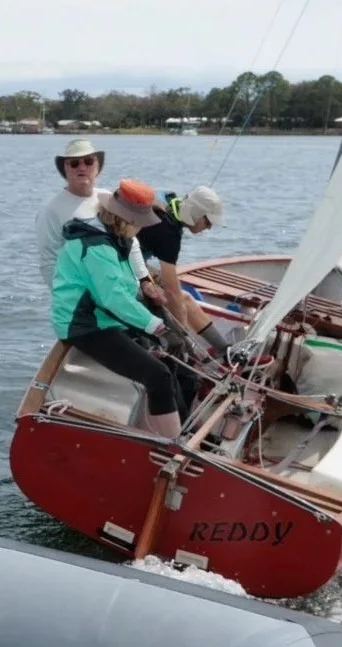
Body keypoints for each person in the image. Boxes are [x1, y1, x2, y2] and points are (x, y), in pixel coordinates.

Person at [52, 179, 181, 439]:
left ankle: (183, 426)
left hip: (106, 320)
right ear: (127, 220)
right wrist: (154, 325)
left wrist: (146, 288)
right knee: (158, 376)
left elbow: (122, 289)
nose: (141, 230)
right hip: (86, 326)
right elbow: (113, 298)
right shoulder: (97, 246)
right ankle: (174, 444)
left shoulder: (114, 239)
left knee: (169, 360)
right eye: (139, 224)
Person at [35, 137, 161, 304]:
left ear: (98, 166)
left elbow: (130, 242)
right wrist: (72, 301)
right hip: (86, 300)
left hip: (124, 292)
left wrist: (145, 280)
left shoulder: (109, 199)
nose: (82, 167)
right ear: (65, 168)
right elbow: (48, 262)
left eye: (88, 161)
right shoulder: (50, 211)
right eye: (74, 163)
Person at [134, 184, 233, 350]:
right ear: (196, 213)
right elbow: (171, 291)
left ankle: (225, 350)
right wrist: (183, 333)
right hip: (125, 267)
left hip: (135, 262)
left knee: (184, 298)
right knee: (178, 299)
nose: (209, 227)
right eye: (208, 221)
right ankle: (188, 349)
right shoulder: (168, 232)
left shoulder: (168, 198)